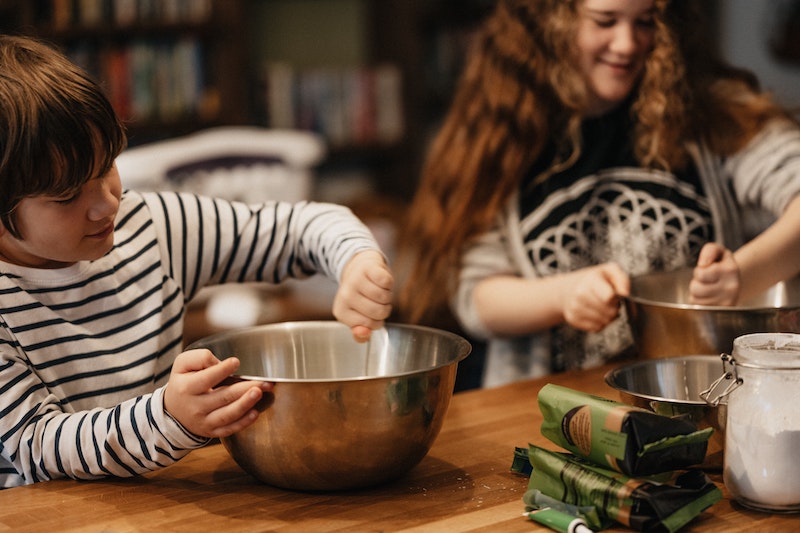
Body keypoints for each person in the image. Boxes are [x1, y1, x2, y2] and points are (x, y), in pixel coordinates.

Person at [0, 35, 394, 487]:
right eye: (68, 196)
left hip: (159, 505)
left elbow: (301, 227)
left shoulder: (154, 227)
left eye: (106, 166)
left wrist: (356, 261)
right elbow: (37, 447)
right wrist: (168, 416)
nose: (106, 205)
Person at [398, 0, 800, 387]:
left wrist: (742, 275)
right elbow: (477, 300)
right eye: (605, 21)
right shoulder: (503, 135)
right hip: (552, 411)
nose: (627, 44)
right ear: (551, 21)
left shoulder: (713, 114)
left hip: (706, 394)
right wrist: (564, 294)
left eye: (645, 21)